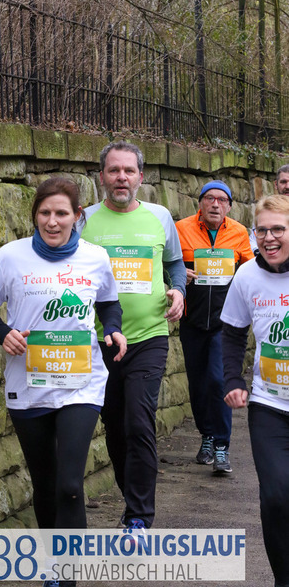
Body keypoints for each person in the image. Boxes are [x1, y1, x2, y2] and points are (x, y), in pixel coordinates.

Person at [0, 177, 126, 587]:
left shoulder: (95, 257)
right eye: (45, 213)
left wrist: (113, 329)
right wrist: (3, 333)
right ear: (35, 215)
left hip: (81, 383)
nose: (52, 221)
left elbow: (109, 304)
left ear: (77, 215)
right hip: (28, 385)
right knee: (44, 482)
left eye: (61, 213)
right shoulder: (11, 256)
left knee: (70, 485)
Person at [79, 141, 186, 531]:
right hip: (99, 341)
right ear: (102, 177)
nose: (121, 177)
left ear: (141, 176)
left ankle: (139, 516)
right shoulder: (84, 220)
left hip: (149, 337)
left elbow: (175, 264)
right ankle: (132, 500)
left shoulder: (160, 217)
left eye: (128, 171)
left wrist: (179, 290)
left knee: (139, 423)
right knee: (115, 425)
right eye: (114, 170)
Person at [221, 194, 289, 587]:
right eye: (261, 230)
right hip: (270, 405)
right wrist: (233, 380)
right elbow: (232, 334)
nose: (269, 237)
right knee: (276, 497)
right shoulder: (246, 276)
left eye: (278, 229)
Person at [175, 180, 253, 474]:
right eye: (210, 198)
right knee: (198, 384)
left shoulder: (239, 233)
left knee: (218, 380)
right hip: (192, 320)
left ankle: (221, 446)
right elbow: (167, 264)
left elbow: (249, 270)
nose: (215, 204)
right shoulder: (181, 229)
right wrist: (179, 273)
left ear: (229, 206)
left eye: (222, 200)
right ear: (200, 203)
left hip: (226, 322)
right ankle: (206, 436)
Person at [250, 163, 289, 254]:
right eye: (283, 182)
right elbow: (253, 240)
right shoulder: (265, 210)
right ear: (276, 184)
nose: (287, 186)